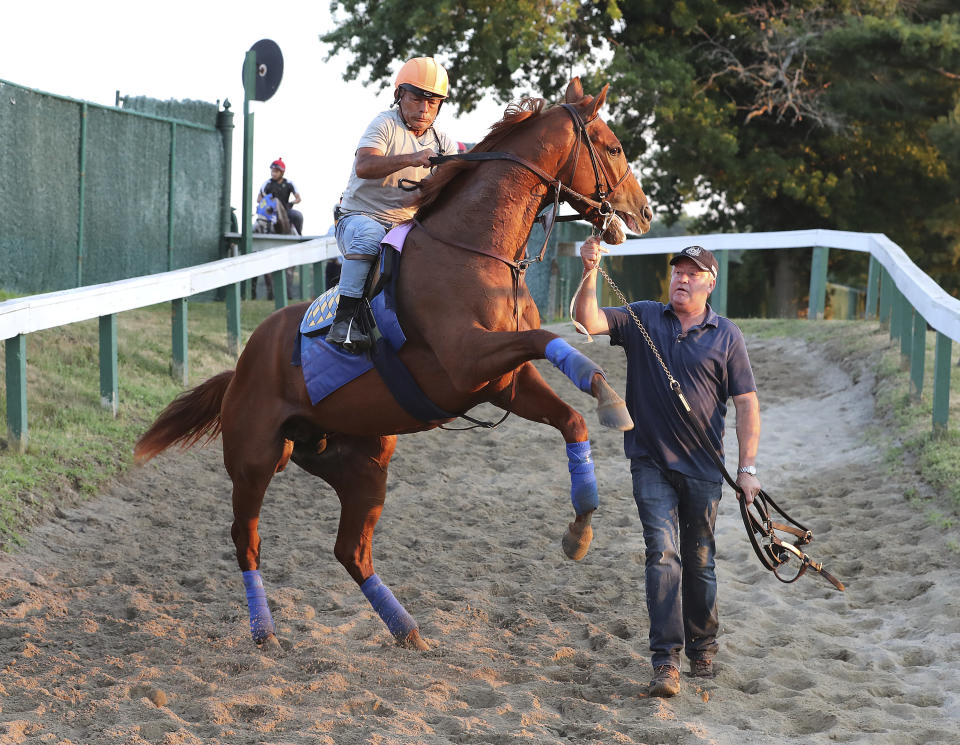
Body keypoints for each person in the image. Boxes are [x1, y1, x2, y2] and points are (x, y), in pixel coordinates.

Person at [573, 237, 762, 698]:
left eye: (692, 272)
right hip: (649, 460)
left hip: (703, 467)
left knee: (699, 562)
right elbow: (586, 320)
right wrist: (591, 268)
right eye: (678, 270)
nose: (681, 278)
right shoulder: (641, 317)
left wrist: (748, 467)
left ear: (709, 283)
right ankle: (665, 661)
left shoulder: (727, 335)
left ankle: (703, 646)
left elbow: (747, 405)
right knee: (662, 554)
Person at [329, 56, 456, 351]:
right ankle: (344, 320)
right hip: (358, 219)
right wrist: (412, 158)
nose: (425, 109)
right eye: (417, 99)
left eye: (433, 102)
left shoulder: (443, 142)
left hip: (406, 227)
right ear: (399, 95)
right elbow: (364, 165)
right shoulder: (384, 124)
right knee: (371, 235)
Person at [258, 158, 303, 235]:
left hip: (285, 210)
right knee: (258, 223)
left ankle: (298, 236)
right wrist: (267, 202)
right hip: (270, 211)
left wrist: (291, 203)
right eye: (272, 171)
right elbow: (259, 199)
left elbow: (298, 199)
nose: (273, 174)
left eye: (276, 171)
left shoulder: (289, 183)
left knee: (297, 215)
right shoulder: (267, 183)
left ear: (282, 172)